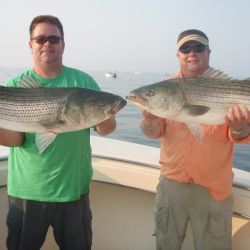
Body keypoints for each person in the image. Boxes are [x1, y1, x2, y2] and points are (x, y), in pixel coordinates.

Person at [3, 15, 117, 250]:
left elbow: (105, 129)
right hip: (27, 192)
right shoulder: (14, 85)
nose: (47, 44)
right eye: (41, 39)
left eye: (54, 39)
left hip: (73, 192)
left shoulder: (83, 82)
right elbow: (16, 140)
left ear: (63, 44)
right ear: (30, 44)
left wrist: (107, 115)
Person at [140, 29, 250, 250]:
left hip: (213, 191)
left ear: (208, 52)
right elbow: (152, 132)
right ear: (178, 55)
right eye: (185, 48)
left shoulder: (223, 86)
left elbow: (241, 136)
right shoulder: (167, 87)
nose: (192, 53)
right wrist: (150, 116)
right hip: (171, 187)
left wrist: (239, 126)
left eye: (198, 48)